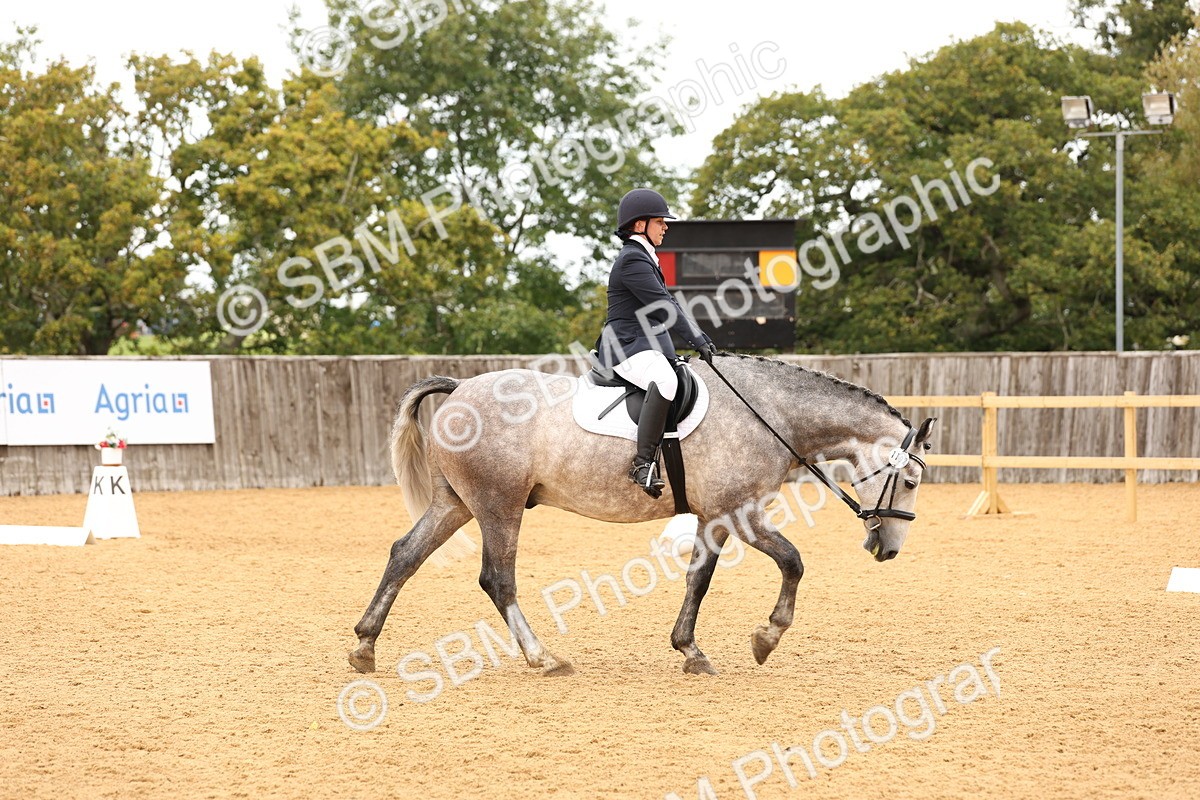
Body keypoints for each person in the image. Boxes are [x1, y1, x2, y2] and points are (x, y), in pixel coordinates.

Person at [596, 188, 717, 499]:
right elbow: (663, 306)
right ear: (640, 225)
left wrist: (689, 343)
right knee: (665, 380)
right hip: (624, 346)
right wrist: (698, 339)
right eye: (660, 222)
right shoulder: (632, 260)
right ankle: (643, 464)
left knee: (677, 372)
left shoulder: (644, 256)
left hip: (641, 343)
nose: (665, 227)